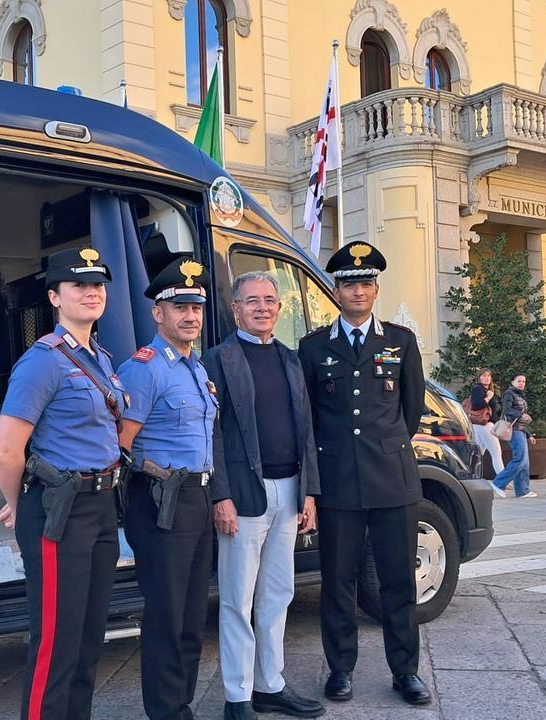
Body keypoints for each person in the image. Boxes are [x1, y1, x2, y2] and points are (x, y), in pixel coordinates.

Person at [0, 246, 127, 720]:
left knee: (90, 637)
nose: (91, 292)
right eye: (78, 285)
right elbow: (7, 450)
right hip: (58, 511)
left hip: (101, 507)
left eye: (97, 285)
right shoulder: (42, 362)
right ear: (54, 296)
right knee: (56, 639)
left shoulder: (101, 358)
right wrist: (15, 504)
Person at [297, 240, 432, 707]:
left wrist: (380, 446)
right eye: (350, 283)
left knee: (398, 580)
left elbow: (410, 410)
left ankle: (406, 671)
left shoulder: (400, 341)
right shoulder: (313, 347)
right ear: (335, 291)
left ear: (376, 290)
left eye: (366, 283)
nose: (358, 291)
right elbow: (309, 416)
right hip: (337, 483)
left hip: (392, 479)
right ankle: (340, 669)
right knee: (338, 581)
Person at [202, 271, 323, 720]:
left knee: (278, 594)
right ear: (236, 309)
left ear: (279, 307)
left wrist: (310, 491)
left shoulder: (290, 359)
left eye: (270, 300)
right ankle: (238, 697)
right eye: (251, 300)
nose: (262, 307)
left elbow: (305, 429)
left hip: (290, 491)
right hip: (243, 496)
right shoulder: (217, 359)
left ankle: (271, 684)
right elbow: (209, 432)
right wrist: (221, 495)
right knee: (238, 599)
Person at [116, 257, 218, 720]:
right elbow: (121, 444)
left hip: (197, 498)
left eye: (196, 306)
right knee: (167, 614)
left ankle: (182, 704)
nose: (190, 316)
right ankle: (165, 710)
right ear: (158, 313)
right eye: (179, 307)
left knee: (194, 615)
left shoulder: (196, 368)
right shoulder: (146, 368)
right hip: (161, 502)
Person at [492, 374, 537, 499]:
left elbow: (521, 419)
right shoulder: (509, 394)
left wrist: (528, 435)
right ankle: (498, 483)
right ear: (512, 381)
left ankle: (523, 491)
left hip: (521, 430)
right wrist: (521, 415)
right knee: (519, 460)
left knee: (525, 462)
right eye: (519, 381)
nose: (522, 383)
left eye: (523, 381)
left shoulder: (519, 395)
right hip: (514, 431)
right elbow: (507, 411)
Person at [468, 369, 505, 477]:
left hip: (482, 425)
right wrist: (488, 397)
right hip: (484, 425)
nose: (487, 378)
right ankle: (502, 481)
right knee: (496, 453)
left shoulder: (487, 390)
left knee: (478, 453)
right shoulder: (478, 389)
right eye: (483, 376)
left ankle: (471, 475)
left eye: (488, 376)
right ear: (479, 378)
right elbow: (476, 405)